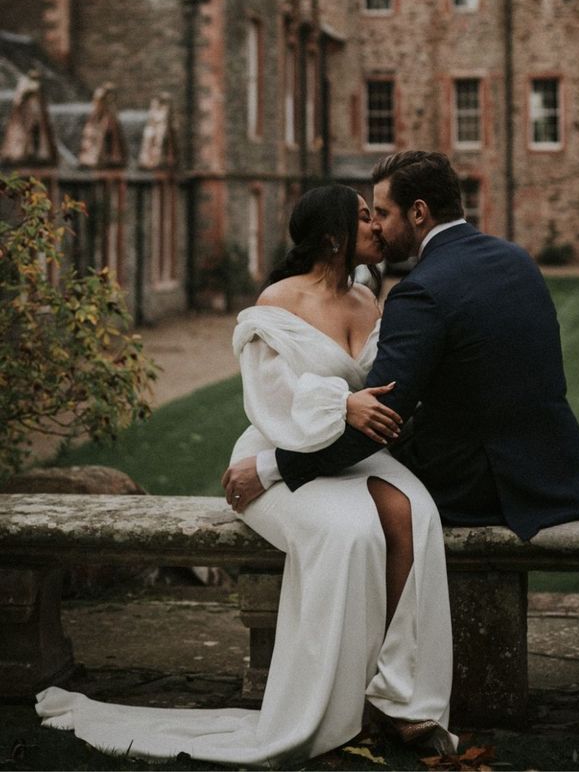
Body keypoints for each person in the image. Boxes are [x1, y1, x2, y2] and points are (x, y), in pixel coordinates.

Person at [37, 184, 455, 767]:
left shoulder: (370, 301)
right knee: (350, 535)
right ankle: (327, 709)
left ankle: (401, 697)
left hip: (350, 455)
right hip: (277, 456)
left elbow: (388, 386)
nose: (377, 228)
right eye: (365, 219)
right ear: (333, 236)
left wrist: (366, 413)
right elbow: (273, 398)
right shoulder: (278, 300)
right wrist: (343, 406)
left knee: (419, 515)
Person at [225, 150, 579, 541]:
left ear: (418, 213)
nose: (378, 229)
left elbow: (383, 417)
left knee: (367, 499)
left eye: (383, 214)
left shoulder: (420, 291)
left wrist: (273, 468)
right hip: (556, 474)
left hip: (481, 488)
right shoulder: (517, 259)